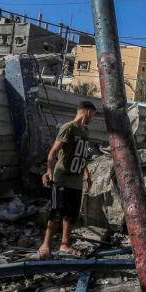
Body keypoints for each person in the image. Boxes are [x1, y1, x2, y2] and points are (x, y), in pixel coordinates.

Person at [38, 101, 96, 258]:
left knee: (71, 214)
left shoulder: (85, 131)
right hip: (62, 178)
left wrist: (87, 174)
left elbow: (81, 156)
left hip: (76, 180)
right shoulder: (68, 128)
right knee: (57, 211)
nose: (92, 119)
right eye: (93, 115)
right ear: (88, 112)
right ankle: (45, 246)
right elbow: (53, 152)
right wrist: (49, 170)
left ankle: (64, 245)